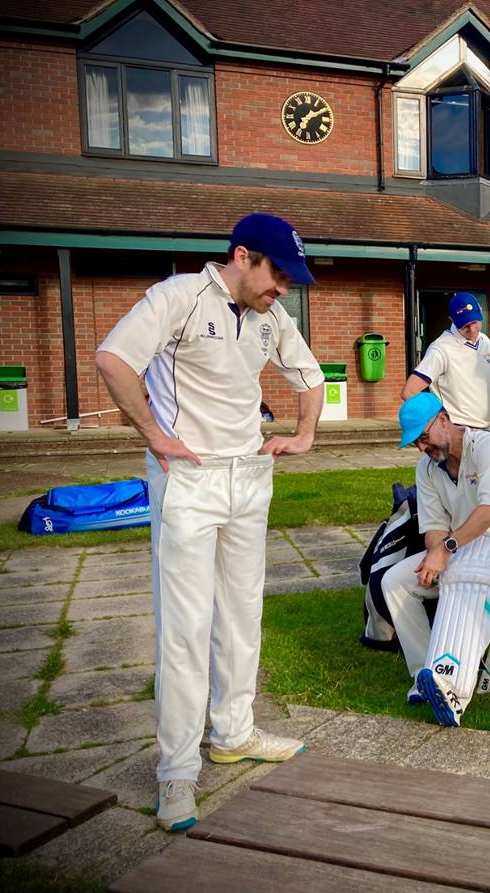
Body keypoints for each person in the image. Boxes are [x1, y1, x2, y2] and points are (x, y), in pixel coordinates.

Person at [95, 213, 325, 833]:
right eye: (277, 274)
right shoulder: (178, 297)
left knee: (242, 613)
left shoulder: (272, 317)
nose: (283, 288)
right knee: (185, 629)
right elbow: (113, 359)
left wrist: (303, 435)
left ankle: (234, 732)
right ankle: (176, 772)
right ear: (242, 256)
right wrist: (156, 437)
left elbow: (310, 376)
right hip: (188, 481)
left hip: (249, 477)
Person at [380, 392, 490, 726]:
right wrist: (437, 555)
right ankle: (427, 675)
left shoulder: (487, 447)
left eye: (424, 438)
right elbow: (434, 527)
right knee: (393, 581)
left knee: (465, 573)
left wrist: (446, 552)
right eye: (415, 444)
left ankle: (455, 690)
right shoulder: (428, 467)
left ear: (444, 419)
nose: (422, 448)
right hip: (460, 550)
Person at [401, 292, 490, 430]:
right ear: (451, 319)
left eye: (474, 322)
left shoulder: (484, 341)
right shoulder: (440, 349)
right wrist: (436, 420)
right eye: (465, 325)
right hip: (459, 430)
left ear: (480, 311)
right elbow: (408, 392)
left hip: (488, 427)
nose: (472, 329)